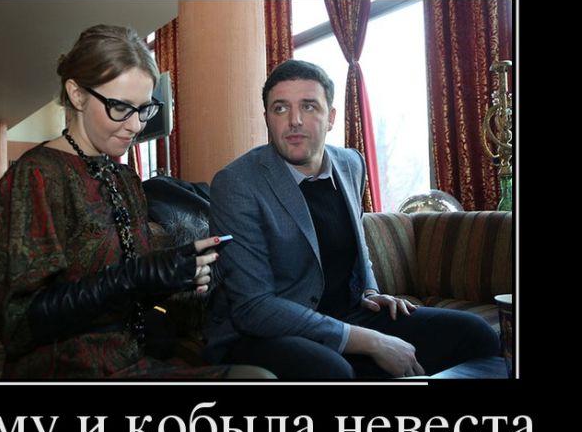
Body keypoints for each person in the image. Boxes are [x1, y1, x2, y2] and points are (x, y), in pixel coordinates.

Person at [0, 25, 274, 380]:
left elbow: (130, 289)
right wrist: (138, 277)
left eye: (144, 109)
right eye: (120, 107)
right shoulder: (34, 178)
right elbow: (16, 326)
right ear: (77, 94)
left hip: (131, 360)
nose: (136, 125)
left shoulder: (123, 178)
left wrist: (174, 276)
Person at [203, 59, 500, 380]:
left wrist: (369, 291)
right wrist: (370, 341)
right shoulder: (237, 183)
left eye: (309, 106)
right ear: (267, 119)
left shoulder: (350, 163)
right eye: (280, 108)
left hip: (346, 314)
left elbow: (357, 245)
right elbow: (253, 307)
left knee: (475, 334)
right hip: (264, 332)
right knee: (335, 372)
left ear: (331, 117)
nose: (294, 120)